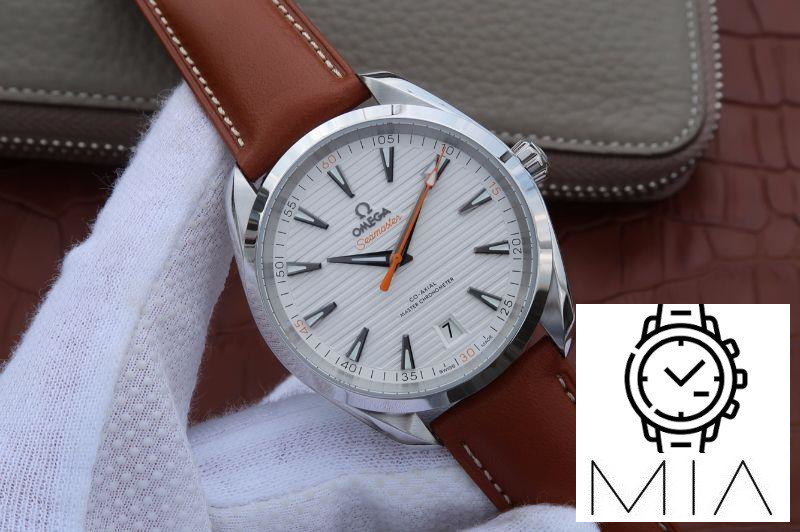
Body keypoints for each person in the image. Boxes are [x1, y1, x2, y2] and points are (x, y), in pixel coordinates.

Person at [0, 84, 593, 531]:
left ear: (517, 169)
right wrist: (646, 461)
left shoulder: (369, 103)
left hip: (524, 354)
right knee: (637, 411)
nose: (396, 259)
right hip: (480, 388)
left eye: (395, 256)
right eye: (390, 260)